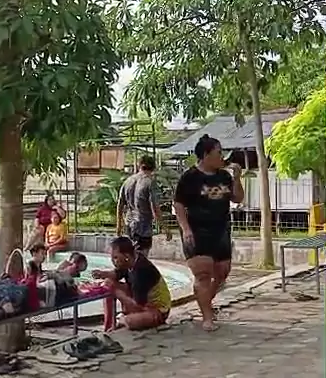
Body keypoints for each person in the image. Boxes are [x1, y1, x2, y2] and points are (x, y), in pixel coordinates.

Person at [174, 134, 244, 332]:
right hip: (197, 230)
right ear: (206, 155)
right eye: (218, 152)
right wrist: (186, 229)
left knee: (222, 272)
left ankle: (206, 301)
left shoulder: (224, 176)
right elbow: (178, 205)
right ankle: (207, 317)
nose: (222, 156)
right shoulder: (190, 177)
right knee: (203, 274)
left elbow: (237, 198)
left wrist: (237, 178)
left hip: (221, 229)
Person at [93, 236, 171, 331]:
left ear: (126, 256)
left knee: (129, 321)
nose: (113, 261)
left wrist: (118, 293)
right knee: (108, 285)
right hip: (141, 302)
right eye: (112, 258)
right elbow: (116, 274)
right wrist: (102, 274)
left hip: (157, 310)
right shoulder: (129, 261)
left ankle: (123, 319)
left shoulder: (141, 271)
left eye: (116, 257)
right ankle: (109, 325)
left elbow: (137, 306)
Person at [116, 155, 164, 257]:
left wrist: (119, 225)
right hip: (144, 227)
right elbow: (154, 207)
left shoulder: (128, 181)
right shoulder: (150, 182)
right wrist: (164, 226)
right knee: (141, 258)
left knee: (130, 256)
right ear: (153, 168)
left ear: (139, 165)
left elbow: (120, 204)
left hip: (129, 225)